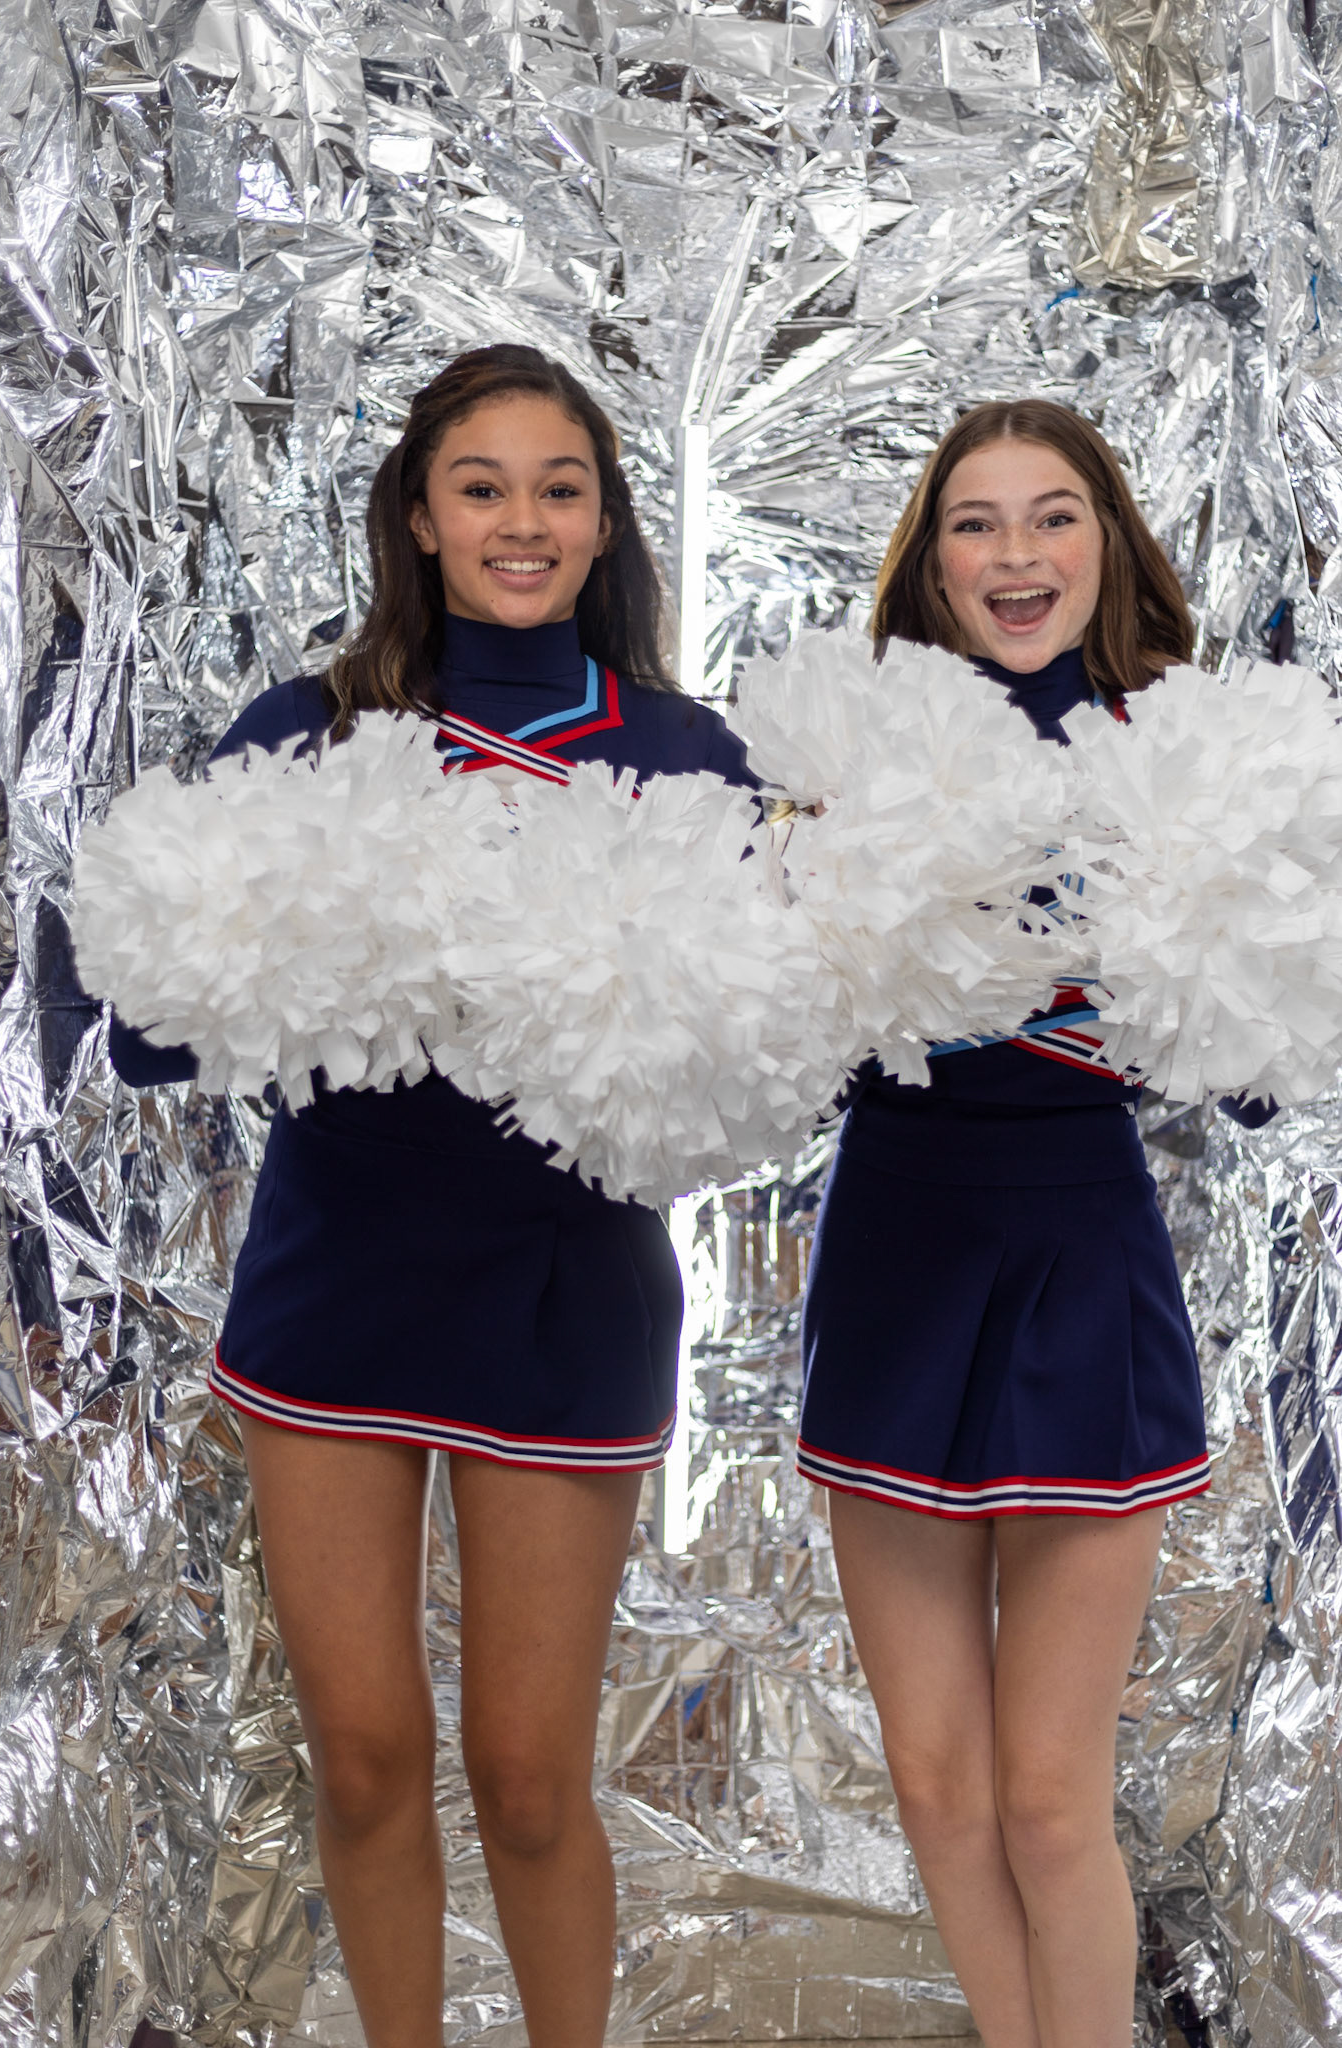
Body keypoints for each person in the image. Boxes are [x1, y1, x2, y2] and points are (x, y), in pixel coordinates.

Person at [109, 345, 752, 2048]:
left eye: (559, 487)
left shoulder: (687, 757)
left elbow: (764, 1064)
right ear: (420, 515)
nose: (521, 521)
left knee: (531, 1778)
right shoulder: (314, 735)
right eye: (482, 486)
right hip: (339, 1287)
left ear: (605, 521)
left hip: (565, 1299)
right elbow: (149, 1034)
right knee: (370, 1755)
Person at [794, 400, 1227, 2047]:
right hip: (897, 1251)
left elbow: (1250, 1063)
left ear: (1103, 539)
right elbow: (785, 1038)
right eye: (975, 522)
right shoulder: (852, 759)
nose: (1016, 554)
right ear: (932, 559)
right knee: (936, 1781)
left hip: (1074, 1257)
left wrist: (1230, 1003)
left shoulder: (1182, 750)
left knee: (1051, 1799)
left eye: (1051, 516)